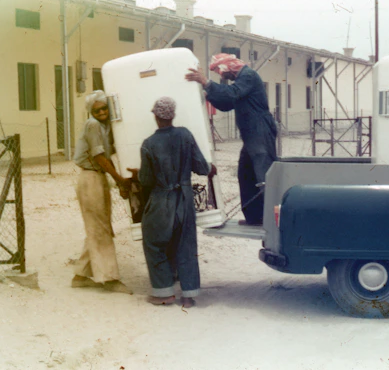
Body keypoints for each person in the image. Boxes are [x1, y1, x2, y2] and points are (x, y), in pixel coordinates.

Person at [132, 97, 216, 308]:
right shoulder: (185, 135)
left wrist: (138, 174)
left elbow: (146, 181)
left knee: (154, 243)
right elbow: (202, 168)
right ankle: (188, 295)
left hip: (161, 200)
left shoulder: (148, 144)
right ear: (172, 115)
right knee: (186, 245)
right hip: (185, 199)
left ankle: (164, 293)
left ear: (156, 116)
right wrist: (209, 167)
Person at [185, 53, 277, 225]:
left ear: (227, 66)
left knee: (264, 175)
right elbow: (226, 104)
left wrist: (207, 82)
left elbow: (232, 94)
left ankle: (273, 219)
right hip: (251, 135)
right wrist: (208, 93)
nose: (220, 74)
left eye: (219, 70)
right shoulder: (241, 81)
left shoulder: (248, 76)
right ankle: (254, 218)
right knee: (246, 174)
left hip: (260, 132)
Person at [72, 90, 132, 294]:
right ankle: (109, 279)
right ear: (91, 111)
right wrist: (119, 179)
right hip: (90, 177)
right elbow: (99, 157)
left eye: (104, 108)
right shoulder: (93, 125)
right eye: (97, 109)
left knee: (100, 226)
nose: (102, 112)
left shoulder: (105, 127)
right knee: (100, 228)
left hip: (97, 178)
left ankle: (80, 275)